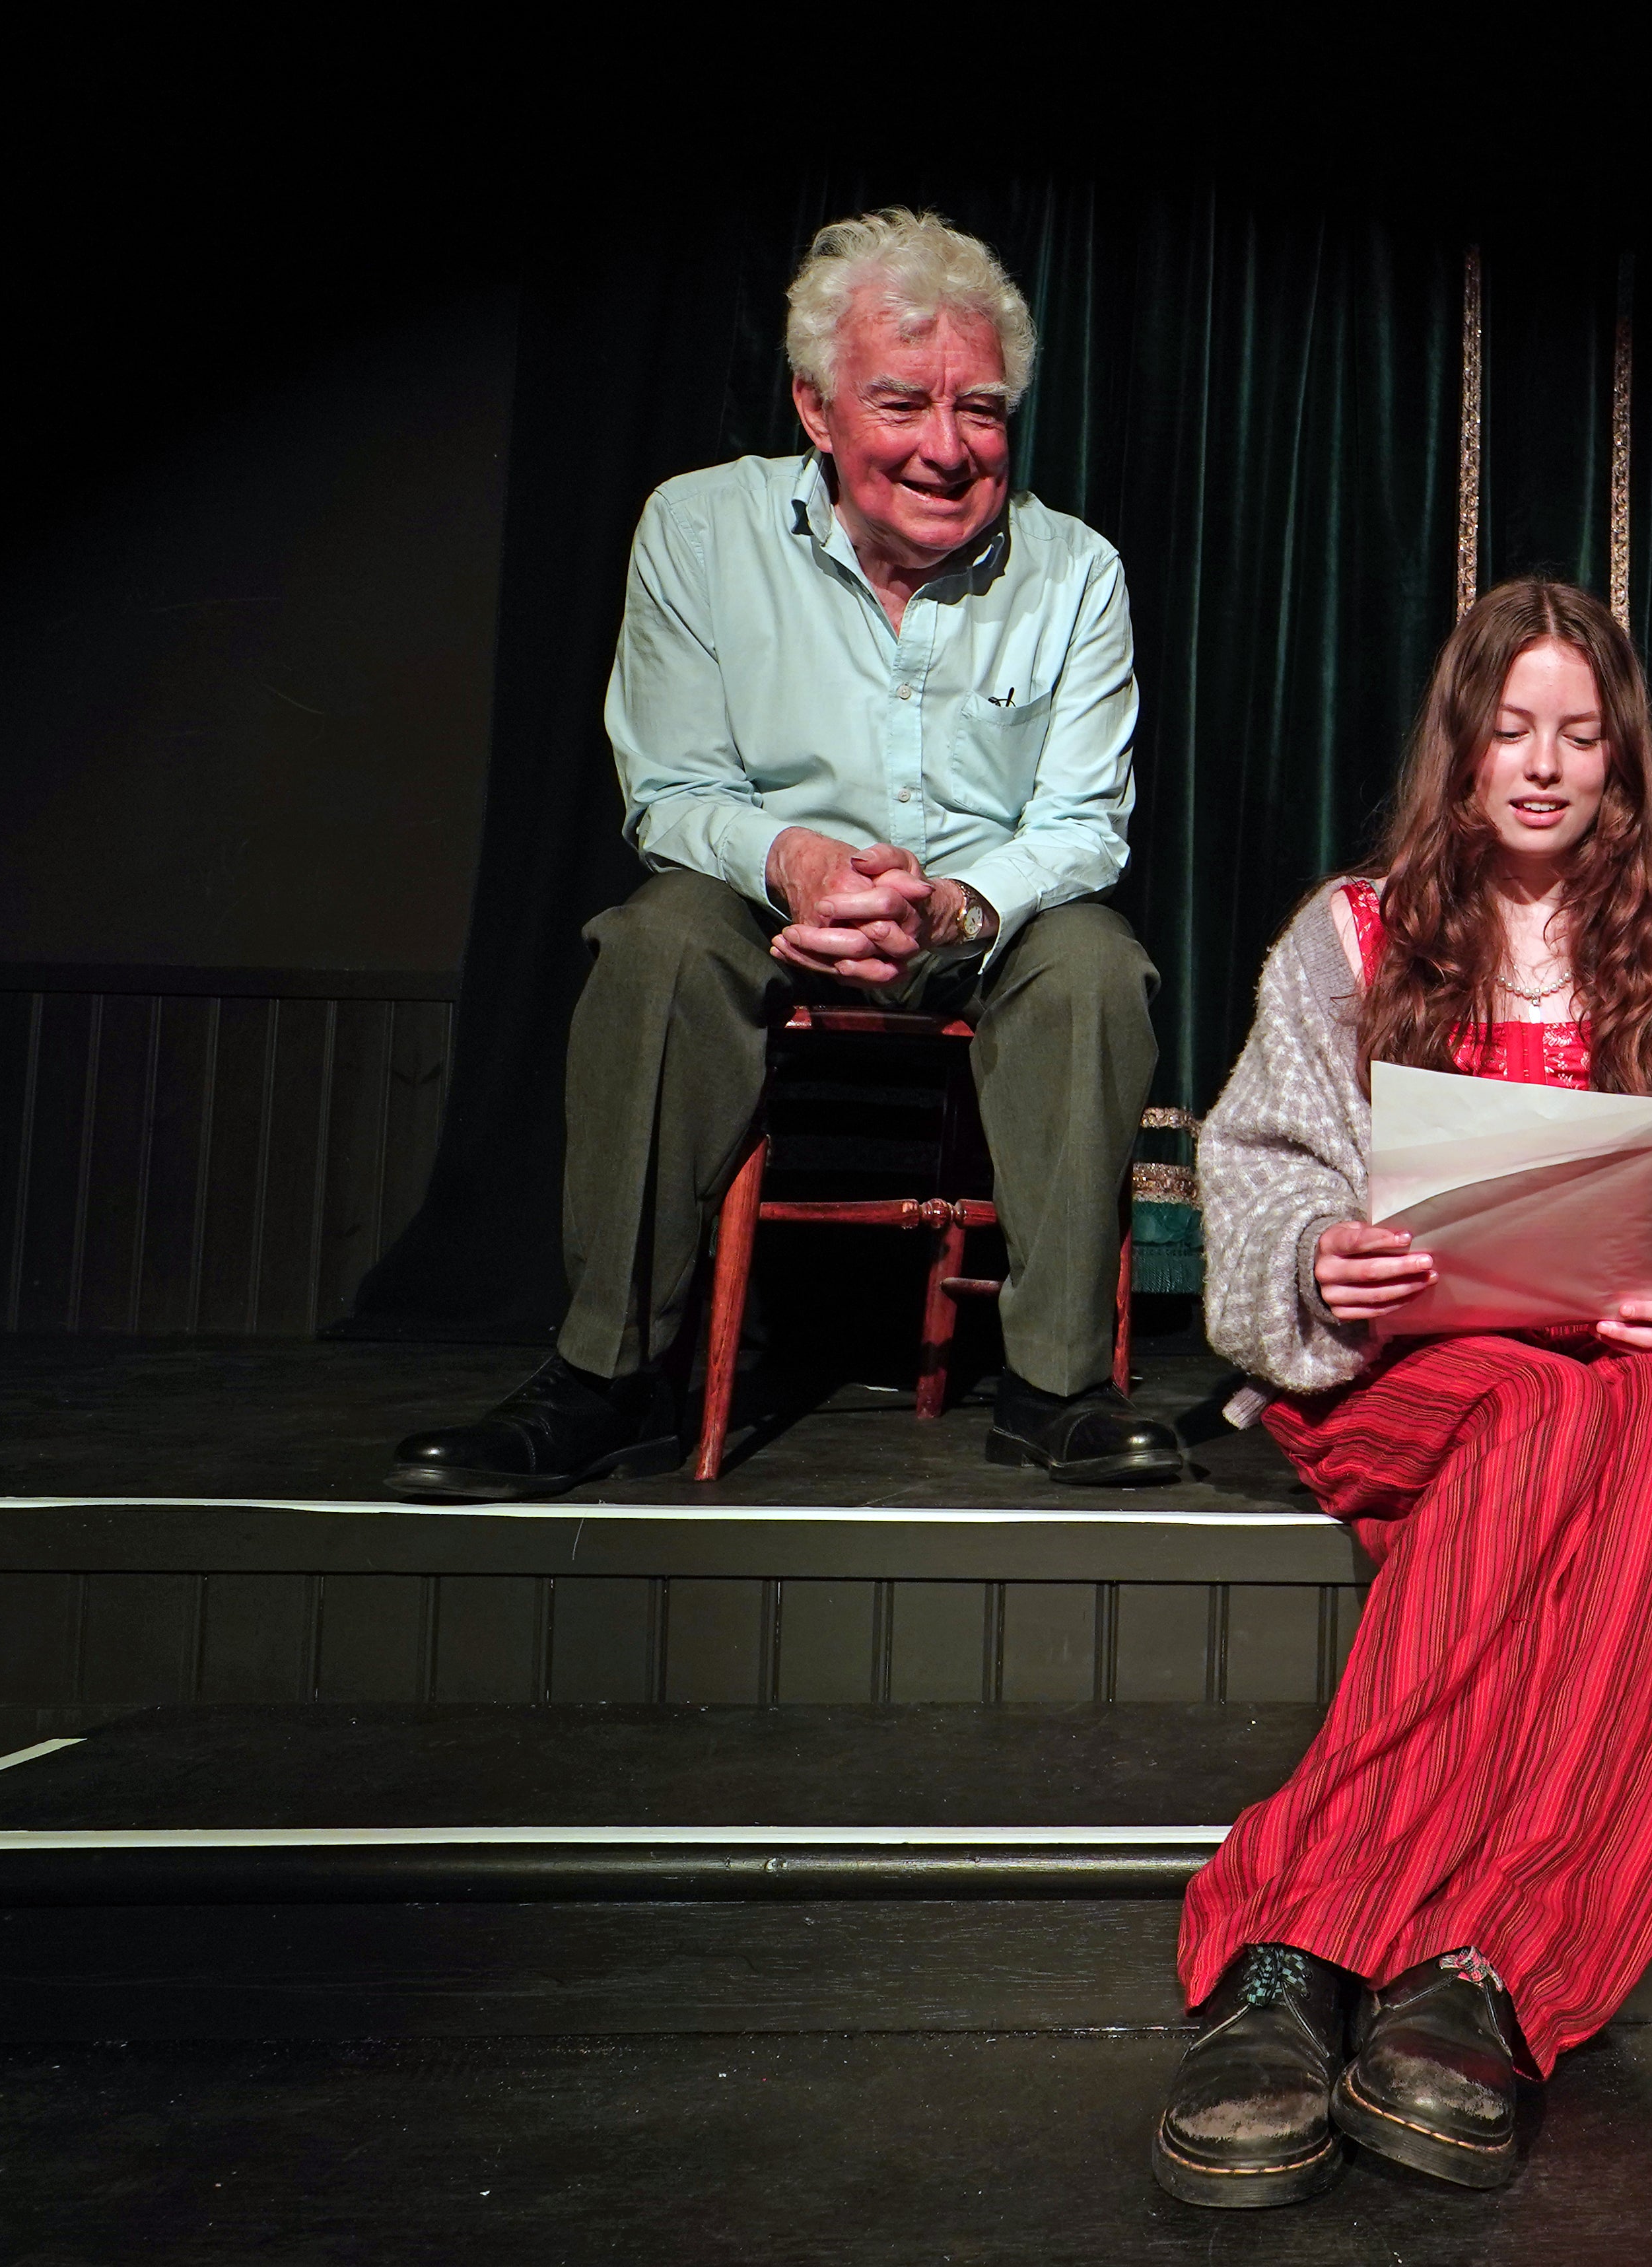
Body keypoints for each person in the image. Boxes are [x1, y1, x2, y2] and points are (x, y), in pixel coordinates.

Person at [1160, 576, 1652, 2206]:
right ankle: (1301, 1929)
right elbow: (1251, 1166)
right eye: (1512, 730)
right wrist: (1320, 1260)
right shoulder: (1352, 931)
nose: (1543, 764)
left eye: (1579, 736)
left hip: (1602, 1382)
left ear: (1619, 760)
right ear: (1460, 745)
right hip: (1408, 1384)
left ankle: (1477, 1965)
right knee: (1531, 1411)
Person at [387, 209, 1181, 1499]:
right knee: (653, 940)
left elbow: (1084, 825)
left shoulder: (1074, 571)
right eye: (901, 403)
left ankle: (1056, 1386)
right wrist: (798, 863)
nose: (946, 446)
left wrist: (961, 904)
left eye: (979, 409)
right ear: (816, 409)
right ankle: (605, 1378)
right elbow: (672, 791)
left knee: (1095, 963)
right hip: (767, 910)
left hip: (986, 930)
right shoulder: (700, 531)